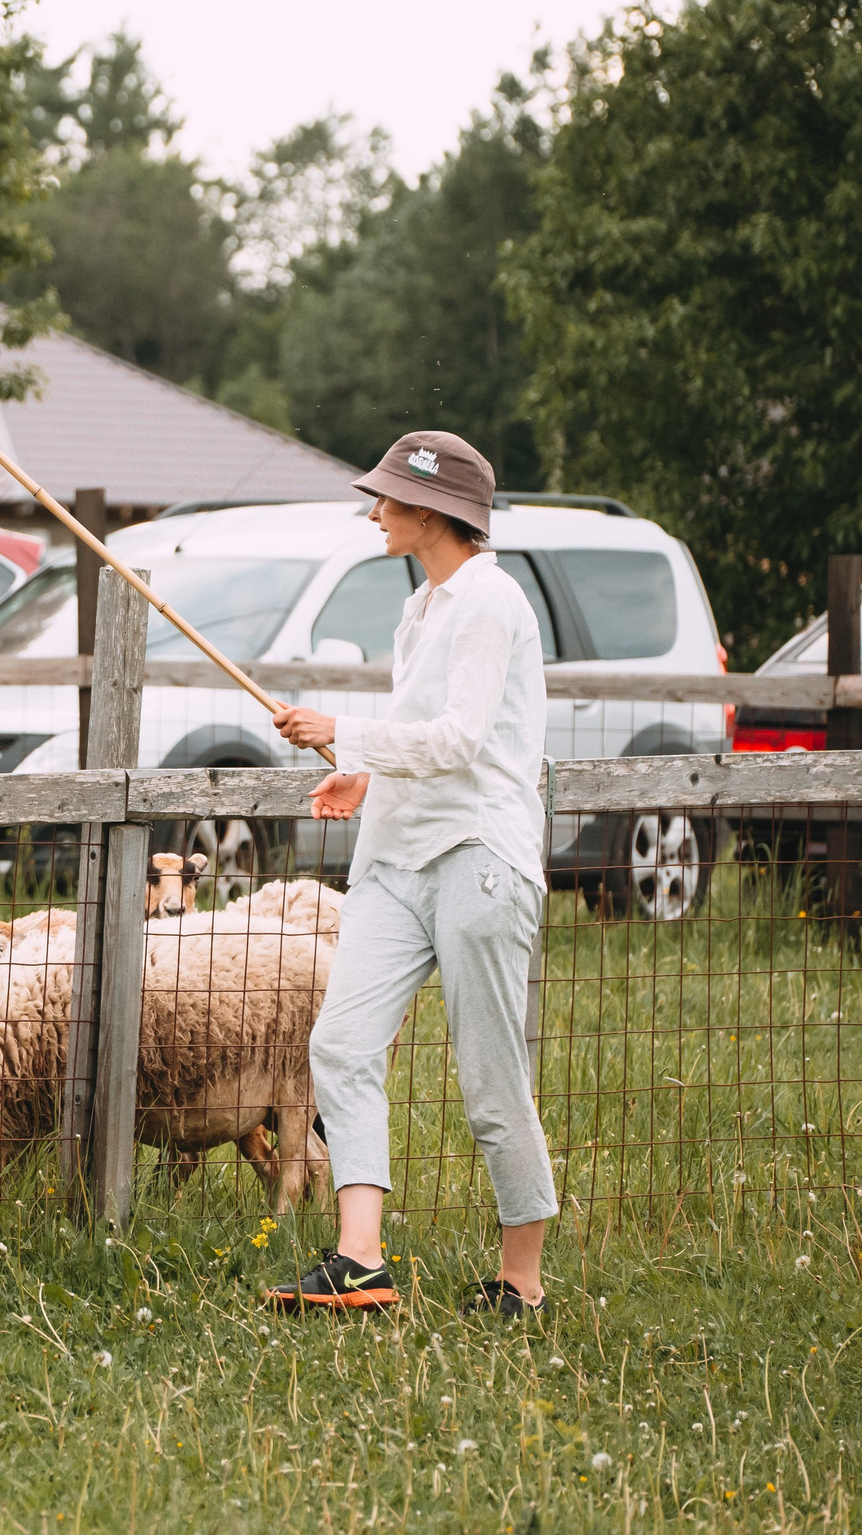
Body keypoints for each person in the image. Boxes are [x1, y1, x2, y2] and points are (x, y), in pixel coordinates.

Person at [261, 430, 555, 1319]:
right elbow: (422, 738)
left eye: (386, 498)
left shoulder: (491, 602)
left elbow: (466, 740)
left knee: (490, 1074)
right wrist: (364, 772)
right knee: (340, 1044)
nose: (374, 510)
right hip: (393, 863)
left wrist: (342, 732)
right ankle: (360, 1260)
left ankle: (522, 1281)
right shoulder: (419, 609)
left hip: (479, 857)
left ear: (432, 511)